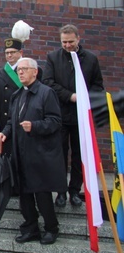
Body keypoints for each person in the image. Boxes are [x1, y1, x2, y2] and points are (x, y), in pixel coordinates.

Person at [0, 58, 65, 245]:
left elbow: (55, 121)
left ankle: (51, 228)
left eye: (24, 69)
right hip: (20, 153)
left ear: (35, 72)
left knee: (42, 194)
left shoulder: (46, 93)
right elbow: (12, 120)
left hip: (40, 154)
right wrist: (5, 133)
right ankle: (30, 228)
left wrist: (34, 126)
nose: (20, 73)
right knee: (24, 196)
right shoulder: (17, 94)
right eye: (19, 70)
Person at [44, 24, 103, 208]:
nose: (67, 45)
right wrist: (70, 96)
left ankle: (75, 190)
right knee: (59, 154)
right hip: (59, 115)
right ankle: (60, 191)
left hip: (81, 117)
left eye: (70, 41)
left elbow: (98, 85)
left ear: (78, 39)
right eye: (64, 42)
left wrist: (86, 96)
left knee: (79, 155)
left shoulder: (91, 60)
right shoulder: (53, 58)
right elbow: (48, 82)